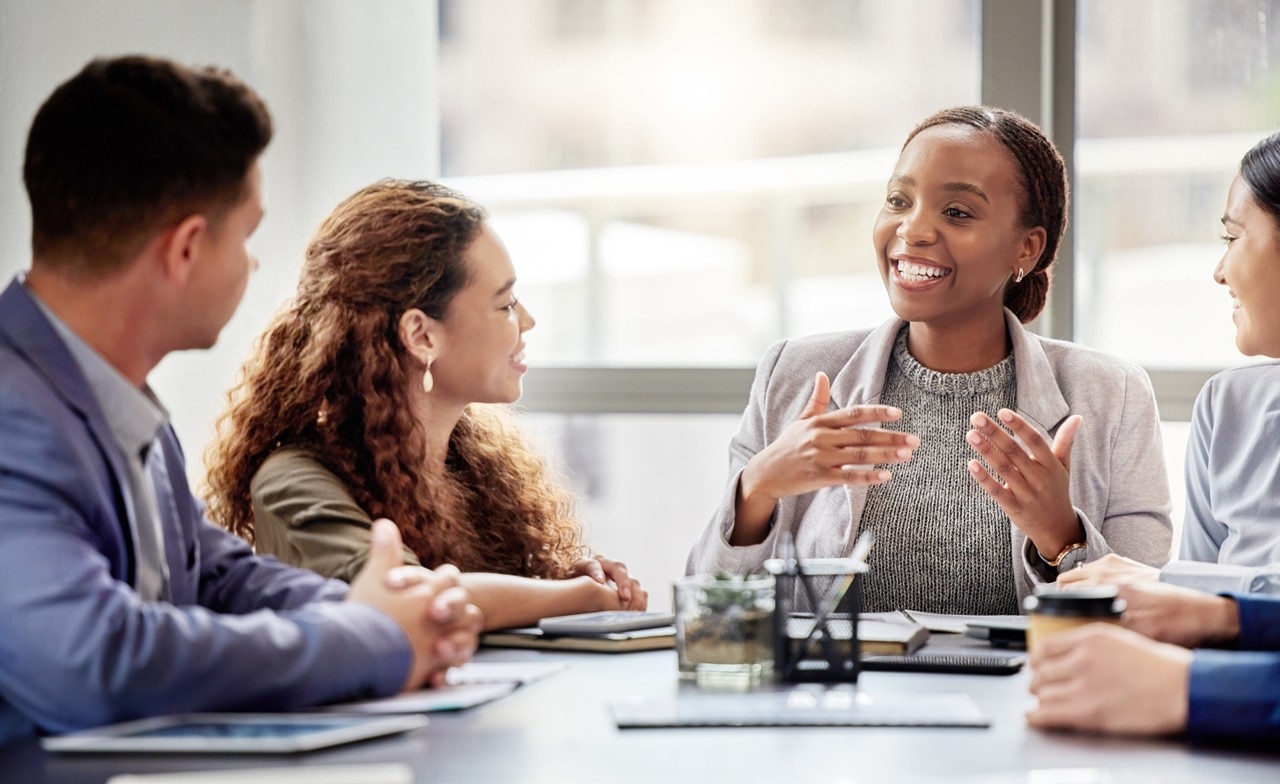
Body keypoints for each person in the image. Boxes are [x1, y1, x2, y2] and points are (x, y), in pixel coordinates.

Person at [0, 56, 482, 744]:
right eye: (247, 236)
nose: (253, 264)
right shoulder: (13, 413)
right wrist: (368, 638)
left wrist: (404, 608)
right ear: (186, 250)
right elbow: (95, 660)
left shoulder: (115, 396)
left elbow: (214, 575)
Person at [687, 106, 1172, 614]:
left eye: (957, 212)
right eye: (899, 200)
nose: (913, 229)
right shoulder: (793, 373)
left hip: (1033, 672)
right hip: (841, 672)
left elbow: (1150, 619)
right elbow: (707, 612)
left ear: (1026, 249)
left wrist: (1061, 537)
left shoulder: (1112, 395)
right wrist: (758, 486)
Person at [202, 179, 648, 631]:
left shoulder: (477, 471)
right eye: (506, 305)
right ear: (421, 335)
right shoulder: (294, 481)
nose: (528, 321)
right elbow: (410, 602)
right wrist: (574, 599)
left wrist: (560, 585)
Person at [1029, 129, 1280, 742]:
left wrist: (1207, 621)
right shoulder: (1231, 407)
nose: (1219, 272)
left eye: (1232, 237)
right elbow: (1183, 623)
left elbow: (1194, 616)